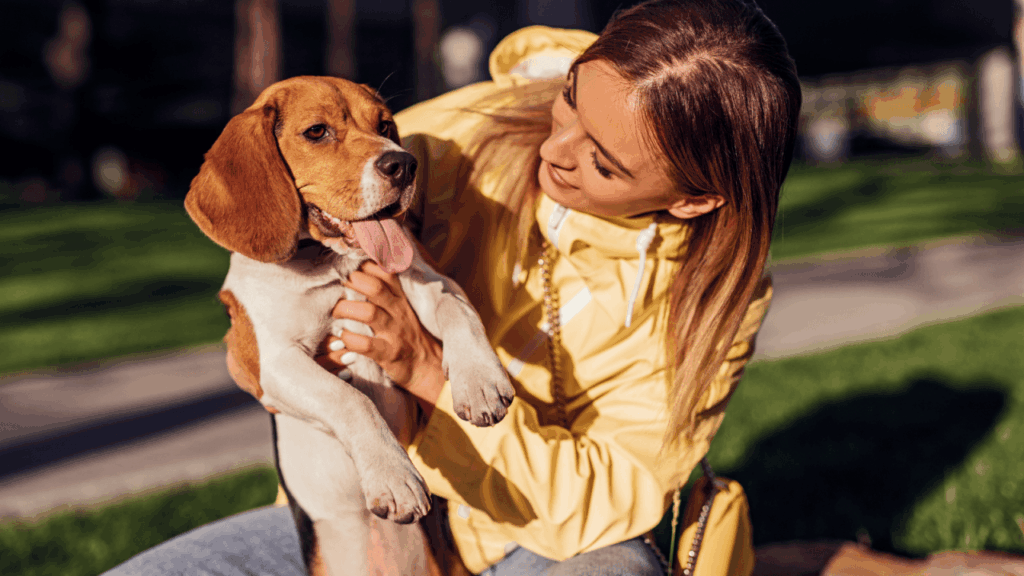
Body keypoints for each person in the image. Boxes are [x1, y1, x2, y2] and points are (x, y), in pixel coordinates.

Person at [103, 1, 800, 575]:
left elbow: (614, 503)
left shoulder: (716, 300)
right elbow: (278, 222)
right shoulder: (454, 137)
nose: (555, 151)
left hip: (543, 537)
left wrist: (431, 372)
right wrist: (256, 344)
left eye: (603, 161)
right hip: (354, 516)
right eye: (568, 103)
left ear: (690, 200)